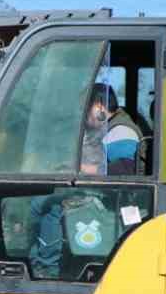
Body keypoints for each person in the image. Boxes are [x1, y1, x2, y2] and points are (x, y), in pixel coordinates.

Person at [28, 84, 147, 278]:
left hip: (114, 199)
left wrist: (80, 168)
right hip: (104, 192)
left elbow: (126, 170)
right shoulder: (107, 128)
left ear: (100, 106)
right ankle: (40, 262)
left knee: (49, 207)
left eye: (85, 109)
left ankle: (47, 270)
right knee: (40, 202)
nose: (83, 116)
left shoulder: (121, 131)